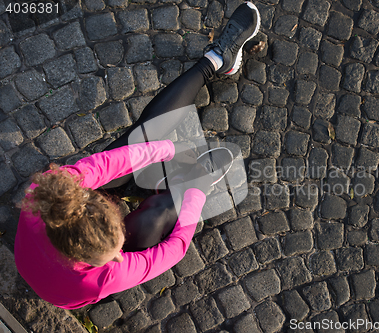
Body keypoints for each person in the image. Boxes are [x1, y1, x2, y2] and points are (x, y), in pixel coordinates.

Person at [14, 2, 260, 310]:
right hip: (70, 282)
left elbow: (117, 159)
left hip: (69, 237)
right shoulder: (100, 277)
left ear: (94, 201)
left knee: (141, 139)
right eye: (117, 252)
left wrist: (170, 148)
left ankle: (216, 61)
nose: (120, 254)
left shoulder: (52, 191)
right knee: (156, 216)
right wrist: (198, 192)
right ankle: (188, 183)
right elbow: (175, 248)